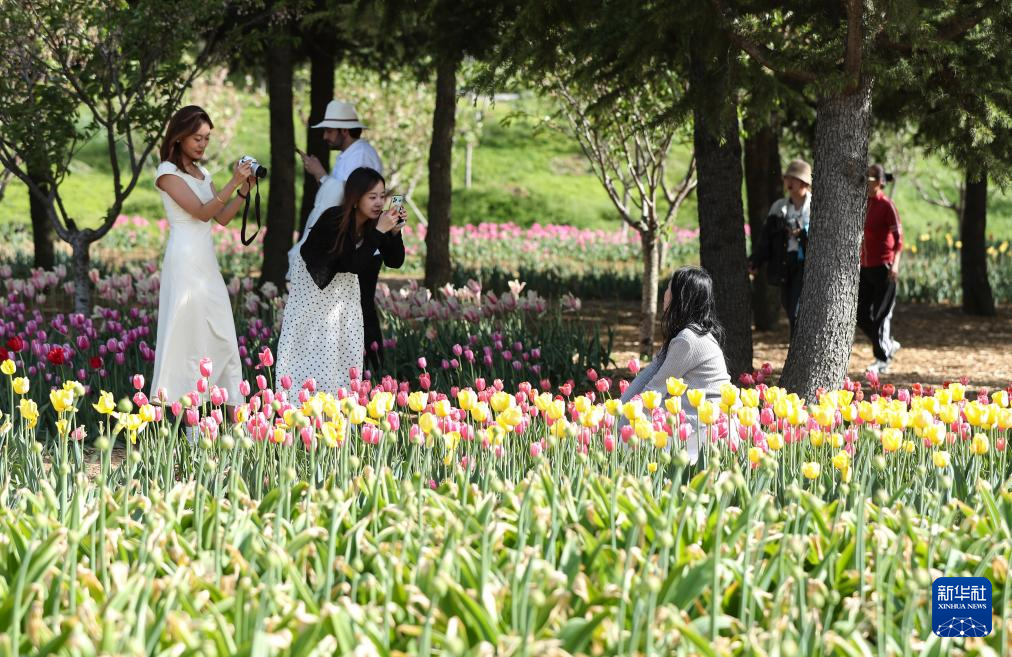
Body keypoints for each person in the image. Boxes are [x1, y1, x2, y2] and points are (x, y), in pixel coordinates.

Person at [150, 105, 252, 405]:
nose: (202, 144)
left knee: (221, 329)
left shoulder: (202, 173)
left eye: (207, 138)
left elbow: (221, 217)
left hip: (206, 261)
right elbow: (201, 212)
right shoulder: (166, 173)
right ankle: (188, 410)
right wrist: (233, 181)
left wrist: (244, 190)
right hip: (184, 259)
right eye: (197, 137)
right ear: (179, 137)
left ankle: (232, 407)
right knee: (186, 333)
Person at [277, 167, 406, 393]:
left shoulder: (374, 223)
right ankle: (298, 403)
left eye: (382, 196)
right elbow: (352, 264)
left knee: (344, 343)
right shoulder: (335, 218)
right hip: (313, 287)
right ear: (356, 198)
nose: (379, 202)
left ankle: (337, 403)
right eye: (372, 197)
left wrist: (393, 232)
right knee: (311, 343)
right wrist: (379, 231)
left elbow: (395, 261)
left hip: (343, 291)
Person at [620, 266, 731, 464]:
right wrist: (619, 409)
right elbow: (649, 374)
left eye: (669, 288)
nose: (665, 293)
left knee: (643, 424)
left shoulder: (688, 340)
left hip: (707, 423)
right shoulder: (687, 334)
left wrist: (621, 422)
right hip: (697, 415)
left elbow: (656, 389)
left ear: (682, 296)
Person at [288, 100, 384, 278]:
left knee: (359, 303)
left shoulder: (359, 154)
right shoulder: (348, 155)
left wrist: (321, 175)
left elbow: (348, 197)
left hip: (359, 246)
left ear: (344, 131)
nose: (325, 136)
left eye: (330, 131)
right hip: (349, 245)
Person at [750, 158, 812, 338]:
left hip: (805, 265)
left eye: (795, 178)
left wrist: (802, 233)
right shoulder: (778, 207)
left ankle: (796, 346)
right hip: (784, 264)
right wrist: (755, 261)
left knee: (796, 310)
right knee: (788, 304)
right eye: (788, 178)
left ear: (805, 183)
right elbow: (765, 239)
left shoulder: (816, 207)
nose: (789, 182)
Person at [858, 164, 903, 374]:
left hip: (885, 268)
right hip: (865, 267)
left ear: (880, 182)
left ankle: (882, 358)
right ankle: (888, 344)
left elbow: (899, 240)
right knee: (860, 314)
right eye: (866, 178)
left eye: (871, 179)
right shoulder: (862, 204)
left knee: (880, 316)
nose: (867, 183)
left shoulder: (887, 206)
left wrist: (895, 264)